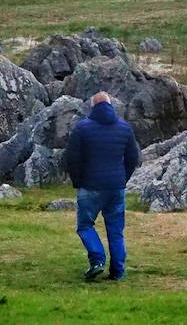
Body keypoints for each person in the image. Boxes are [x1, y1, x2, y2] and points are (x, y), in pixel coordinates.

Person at [64, 90, 140, 281]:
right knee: (115, 231)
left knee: (85, 225)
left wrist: (77, 181)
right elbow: (133, 157)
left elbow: (71, 158)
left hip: (90, 185)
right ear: (110, 105)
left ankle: (97, 260)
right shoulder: (124, 128)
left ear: (93, 107)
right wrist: (122, 178)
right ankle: (118, 271)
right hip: (116, 187)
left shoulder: (82, 128)